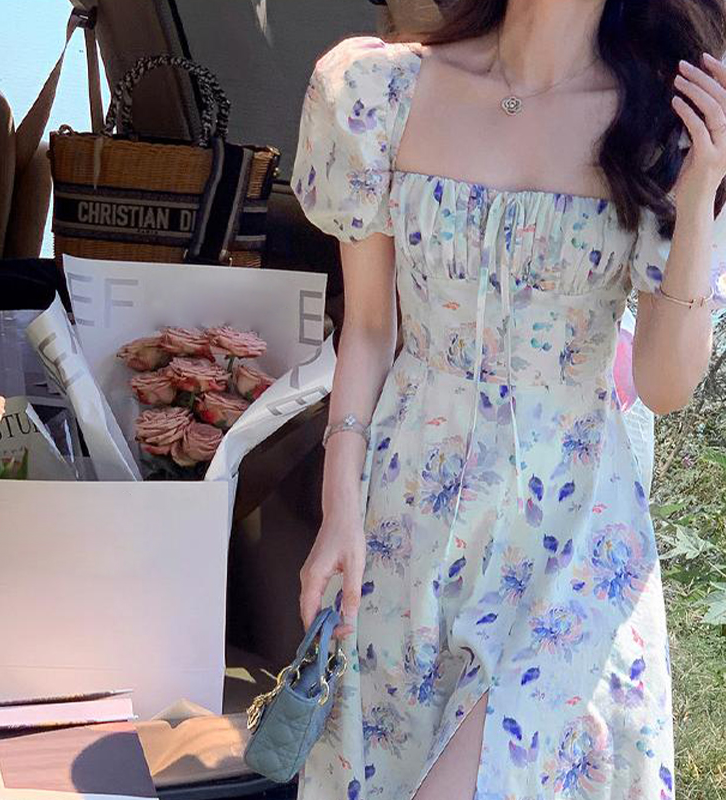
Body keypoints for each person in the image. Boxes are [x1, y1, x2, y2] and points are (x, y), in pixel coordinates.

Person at [290, 1, 726, 798]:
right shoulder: (377, 90)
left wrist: (700, 193)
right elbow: (370, 330)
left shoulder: (661, 123)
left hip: (570, 533)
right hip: (406, 521)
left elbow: (666, 386)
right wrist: (338, 507)